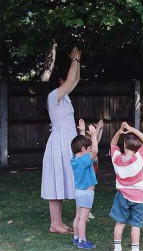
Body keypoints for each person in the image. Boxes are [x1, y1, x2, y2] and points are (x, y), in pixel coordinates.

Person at [41, 47, 81, 234]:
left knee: (62, 181)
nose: (68, 84)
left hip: (68, 142)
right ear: (59, 81)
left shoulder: (65, 98)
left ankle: (58, 223)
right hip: (58, 143)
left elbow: (76, 79)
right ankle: (54, 223)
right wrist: (73, 60)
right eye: (65, 81)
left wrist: (78, 62)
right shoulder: (53, 96)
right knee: (56, 181)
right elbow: (72, 79)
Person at [109, 122, 143, 251]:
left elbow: (112, 145)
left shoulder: (116, 159)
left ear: (125, 145)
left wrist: (119, 131)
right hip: (138, 198)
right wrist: (132, 129)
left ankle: (117, 249)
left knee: (120, 223)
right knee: (135, 225)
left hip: (122, 196)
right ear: (138, 147)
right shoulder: (139, 158)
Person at [70, 122, 99, 249]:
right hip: (87, 193)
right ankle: (82, 241)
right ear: (83, 149)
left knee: (77, 216)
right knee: (83, 218)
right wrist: (93, 135)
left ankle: (76, 238)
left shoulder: (74, 159)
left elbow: (81, 145)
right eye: (88, 149)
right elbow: (96, 151)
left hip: (79, 192)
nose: (90, 150)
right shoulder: (84, 160)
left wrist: (82, 131)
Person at [77, 119, 104, 220]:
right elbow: (94, 142)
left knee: (90, 192)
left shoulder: (93, 142)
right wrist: (97, 129)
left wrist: (100, 128)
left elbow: (97, 139)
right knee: (86, 192)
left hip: (93, 170)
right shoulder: (86, 145)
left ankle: (87, 212)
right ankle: (82, 213)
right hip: (87, 172)